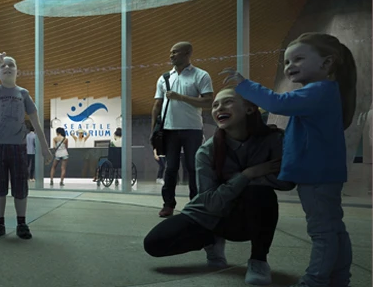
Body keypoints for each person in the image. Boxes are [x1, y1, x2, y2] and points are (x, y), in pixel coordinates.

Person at [224, 32, 357, 287]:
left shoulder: (317, 92)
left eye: (298, 59)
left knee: (322, 231)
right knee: (333, 228)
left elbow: (276, 103)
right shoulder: (325, 92)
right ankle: (339, 278)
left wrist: (244, 84)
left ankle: (315, 281)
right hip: (323, 172)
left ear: (327, 63)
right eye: (286, 62)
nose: (289, 66)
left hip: (316, 173)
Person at [144, 89, 295, 285]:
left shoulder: (274, 140)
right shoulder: (207, 151)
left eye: (228, 102)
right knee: (154, 244)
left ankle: (258, 260)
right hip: (208, 216)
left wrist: (240, 184)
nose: (219, 108)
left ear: (250, 109)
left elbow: (287, 182)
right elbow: (210, 203)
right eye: (215, 105)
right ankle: (211, 241)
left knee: (260, 194)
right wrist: (248, 174)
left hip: (247, 216)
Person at [0, 52, 53, 240]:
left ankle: (21, 223)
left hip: (18, 147)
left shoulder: (23, 94)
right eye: (3, 66)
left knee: (20, 185)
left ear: (17, 71)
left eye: (11, 65)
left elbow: (36, 121)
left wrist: (45, 148)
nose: (7, 68)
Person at [151, 42, 214, 218]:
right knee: (170, 168)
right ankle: (168, 204)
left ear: (187, 53)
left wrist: (180, 97)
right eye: (170, 52)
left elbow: (209, 101)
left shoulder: (200, 75)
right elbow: (157, 105)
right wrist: (153, 131)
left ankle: (195, 203)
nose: (171, 55)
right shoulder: (164, 78)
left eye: (175, 52)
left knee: (193, 168)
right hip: (169, 131)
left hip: (192, 129)